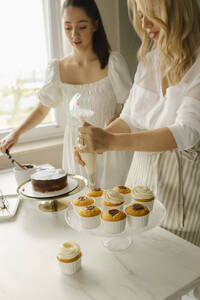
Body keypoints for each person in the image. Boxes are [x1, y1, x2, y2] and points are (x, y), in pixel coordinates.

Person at [77, 1, 200, 298]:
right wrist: (98, 137)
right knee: (144, 274)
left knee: (184, 277)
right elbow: (131, 118)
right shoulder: (151, 59)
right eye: (140, 17)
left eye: (151, 16)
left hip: (183, 186)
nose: (144, 26)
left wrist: (112, 141)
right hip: (142, 178)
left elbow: (186, 132)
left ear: (176, 12)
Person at [0, 0, 133, 189]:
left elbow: (132, 106)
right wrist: (16, 133)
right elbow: (41, 109)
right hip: (76, 151)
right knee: (82, 208)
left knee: (114, 208)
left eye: (82, 26)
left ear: (96, 24)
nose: (74, 35)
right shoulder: (57, 68)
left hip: (110, 149)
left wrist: (116, 117)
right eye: (68, 27)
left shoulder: (113, 63)